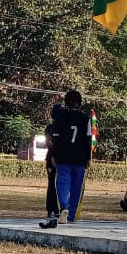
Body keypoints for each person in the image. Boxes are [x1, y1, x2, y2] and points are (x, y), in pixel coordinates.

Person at [40, 90, 90, 229]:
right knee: (76, 185)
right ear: (79, 103)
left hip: (63, 156)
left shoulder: (60, 119)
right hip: (79, 156)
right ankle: (72, 214)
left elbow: (56, 139)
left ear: (66, 102)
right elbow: (87, 140)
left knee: (62, 182)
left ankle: (64, 208)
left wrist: (54, 155)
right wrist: (88, 158)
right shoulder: (85, 119)